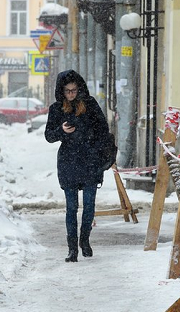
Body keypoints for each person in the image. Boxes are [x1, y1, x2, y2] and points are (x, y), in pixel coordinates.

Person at [45, 70, 110, 263]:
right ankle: (72, 248)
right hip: (69, 161)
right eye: (68, 91)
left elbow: (103, 130)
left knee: (89, 205)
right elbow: (49, 135)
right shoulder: (56, 109)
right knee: (71, 207)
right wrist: (62, 131)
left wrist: (97, 148)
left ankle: (85, 241)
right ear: (62, 91)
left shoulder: (90, 105)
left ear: (79, 89)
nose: (71, 94)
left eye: (74, 90)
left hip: (90, 161)